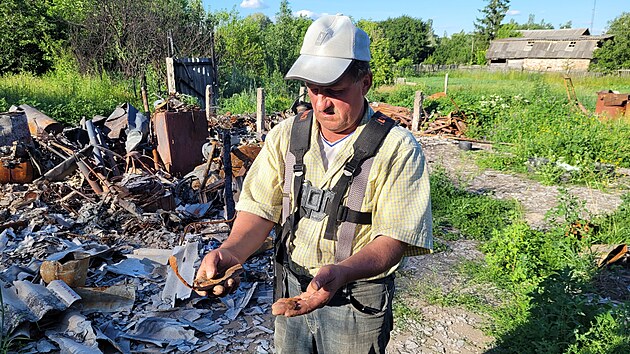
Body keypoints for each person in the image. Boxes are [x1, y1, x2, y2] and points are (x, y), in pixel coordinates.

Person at [195, 14, 432, 353]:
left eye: (335, 91)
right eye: (314, 90)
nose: (322, 103)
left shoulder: (398, 148)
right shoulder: (287, 135)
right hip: (291, 287)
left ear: (365, 82)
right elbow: (260, 210)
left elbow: (394, 239)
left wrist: (341, 273)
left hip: (356, 300)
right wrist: (230, 253)